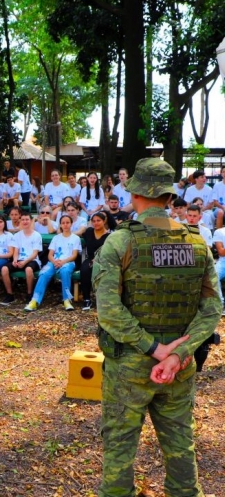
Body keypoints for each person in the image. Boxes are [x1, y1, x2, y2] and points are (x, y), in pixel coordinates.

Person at [92, 157, 221, 497]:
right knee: (181, 448)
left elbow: (108, 310)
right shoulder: (197, 243)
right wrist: (178, 353)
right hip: (179, 367)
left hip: (129, 366)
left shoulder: (120, 243)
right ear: (168, 197)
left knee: (119, 453)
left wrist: (152, 348)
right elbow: (212, 308)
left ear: (134, 193)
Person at [24, 214, 81, 312]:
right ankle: (34, 300)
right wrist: (54, 261)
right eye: (63, 223)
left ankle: (67, 299)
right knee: (44, 273)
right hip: (54, 262)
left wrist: (63, 261)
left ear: (71, 224)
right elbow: (50, 254)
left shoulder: (75, 238)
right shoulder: (56, 238)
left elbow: (74, 255)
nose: (65, 225)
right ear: (60, 225)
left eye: (68, 222)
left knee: (65, 271)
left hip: (68, 262)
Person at [0, 211, 42, 305]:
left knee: (28, 269)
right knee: (4, 269)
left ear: (31, 221)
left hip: (32, 260)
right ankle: (9, 294)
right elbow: (16, 251)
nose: (25, 221)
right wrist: (15, 260)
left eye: (27, 219)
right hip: (19, 259)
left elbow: (35, 253)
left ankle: (29, 294)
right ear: (20, 221)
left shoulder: (36, 235)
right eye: (23, 220)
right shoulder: (17, 235)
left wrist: (25, 261)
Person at [79, 211, 110, 311]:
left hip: (103, 259)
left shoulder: (109, 236)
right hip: (90, 258)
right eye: (94, 221)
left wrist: (97, 259)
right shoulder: (89, 232)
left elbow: (108, 251)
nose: (96, 223)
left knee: (101, 270)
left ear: (104, 221)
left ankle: (102, 299)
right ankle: (87, 298)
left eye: (99, 221)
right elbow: (78, 233)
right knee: (84, 269)